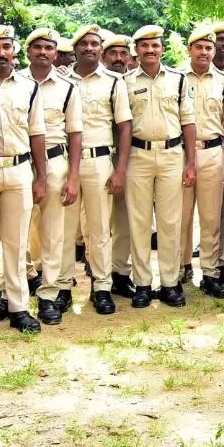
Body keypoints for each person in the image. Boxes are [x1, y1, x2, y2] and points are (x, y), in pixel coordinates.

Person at [0, 25, 48, 334]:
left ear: (15, 50)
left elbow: (37, 133)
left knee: (17, 244)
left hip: (18, 169)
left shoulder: (29, 87)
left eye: (6, 46)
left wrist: (40, 176)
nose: (1, 53)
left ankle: (18, 306)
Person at [124, 25, 196, 309]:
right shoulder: (125, 82)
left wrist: (190, 163)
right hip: (137, 156)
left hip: (171, 155)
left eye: (155, 46)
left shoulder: (178, 81)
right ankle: (142, 283)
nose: (150, 50)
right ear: (137, 51)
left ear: (162, 49)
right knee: (139, 222)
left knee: (170, 222)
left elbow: (188, 122)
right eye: (144, 46)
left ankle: (170, 282)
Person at [63, 24, 132, 314]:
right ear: (76, 49)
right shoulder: (60, 80)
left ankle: (102, 287)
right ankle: (62, 287)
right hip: (62, 161)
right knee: (63, 229)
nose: (89, 48)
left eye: (94, 44)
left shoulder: (114, 82)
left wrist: (119, 170)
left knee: (100, 227)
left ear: (99, 50)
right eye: (84, 44)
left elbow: (125, 127)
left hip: (99, 160)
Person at [23, 28, 83, 325]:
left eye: (49, 48)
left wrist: (73, 175)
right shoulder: (13, 83)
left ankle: (49, 294)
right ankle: (13, 295)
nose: (44, 52)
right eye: (38, 47)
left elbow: (75, 134)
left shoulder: (67, 87)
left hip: (55, 161)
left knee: (53, 232)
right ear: (28, 51)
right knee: (15, 233)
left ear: (55, 53)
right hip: (20, 164)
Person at [178, 25, 224, 300]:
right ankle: (179, 269)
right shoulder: (176, 77)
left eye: (208, 48)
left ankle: (211, 273)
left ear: (214, 51)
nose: (204, 52)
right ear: (190, 49)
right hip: (179, 153)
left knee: (212, 217)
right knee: (180, 215)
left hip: (214, 152)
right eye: (199, 47)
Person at [100, 32, 136, 297]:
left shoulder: (134, 82)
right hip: (98, 156)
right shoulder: (97, 82)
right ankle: (96, 272)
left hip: (130, 158)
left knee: (125, 219)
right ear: (103, 56)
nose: (118, 58)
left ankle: (120, 272)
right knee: (97, 221)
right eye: (113, 53)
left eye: (124, 53)